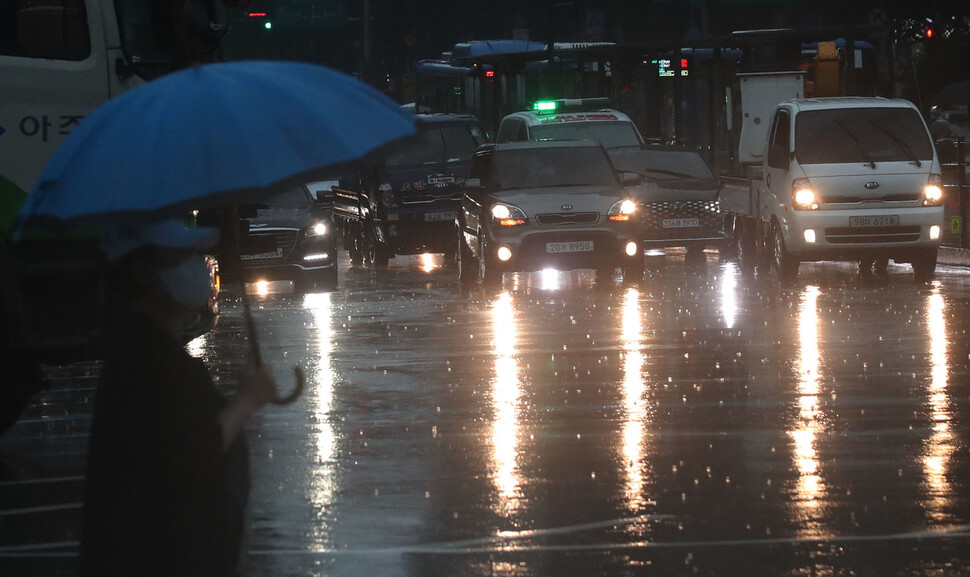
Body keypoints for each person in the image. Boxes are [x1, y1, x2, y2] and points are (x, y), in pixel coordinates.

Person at [79, 219, 279, 577]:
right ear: (143, 273)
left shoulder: (143, 349)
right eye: (179, 256)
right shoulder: (149, 360)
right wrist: (247, 401)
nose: (195, 264)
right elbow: (194, 450)